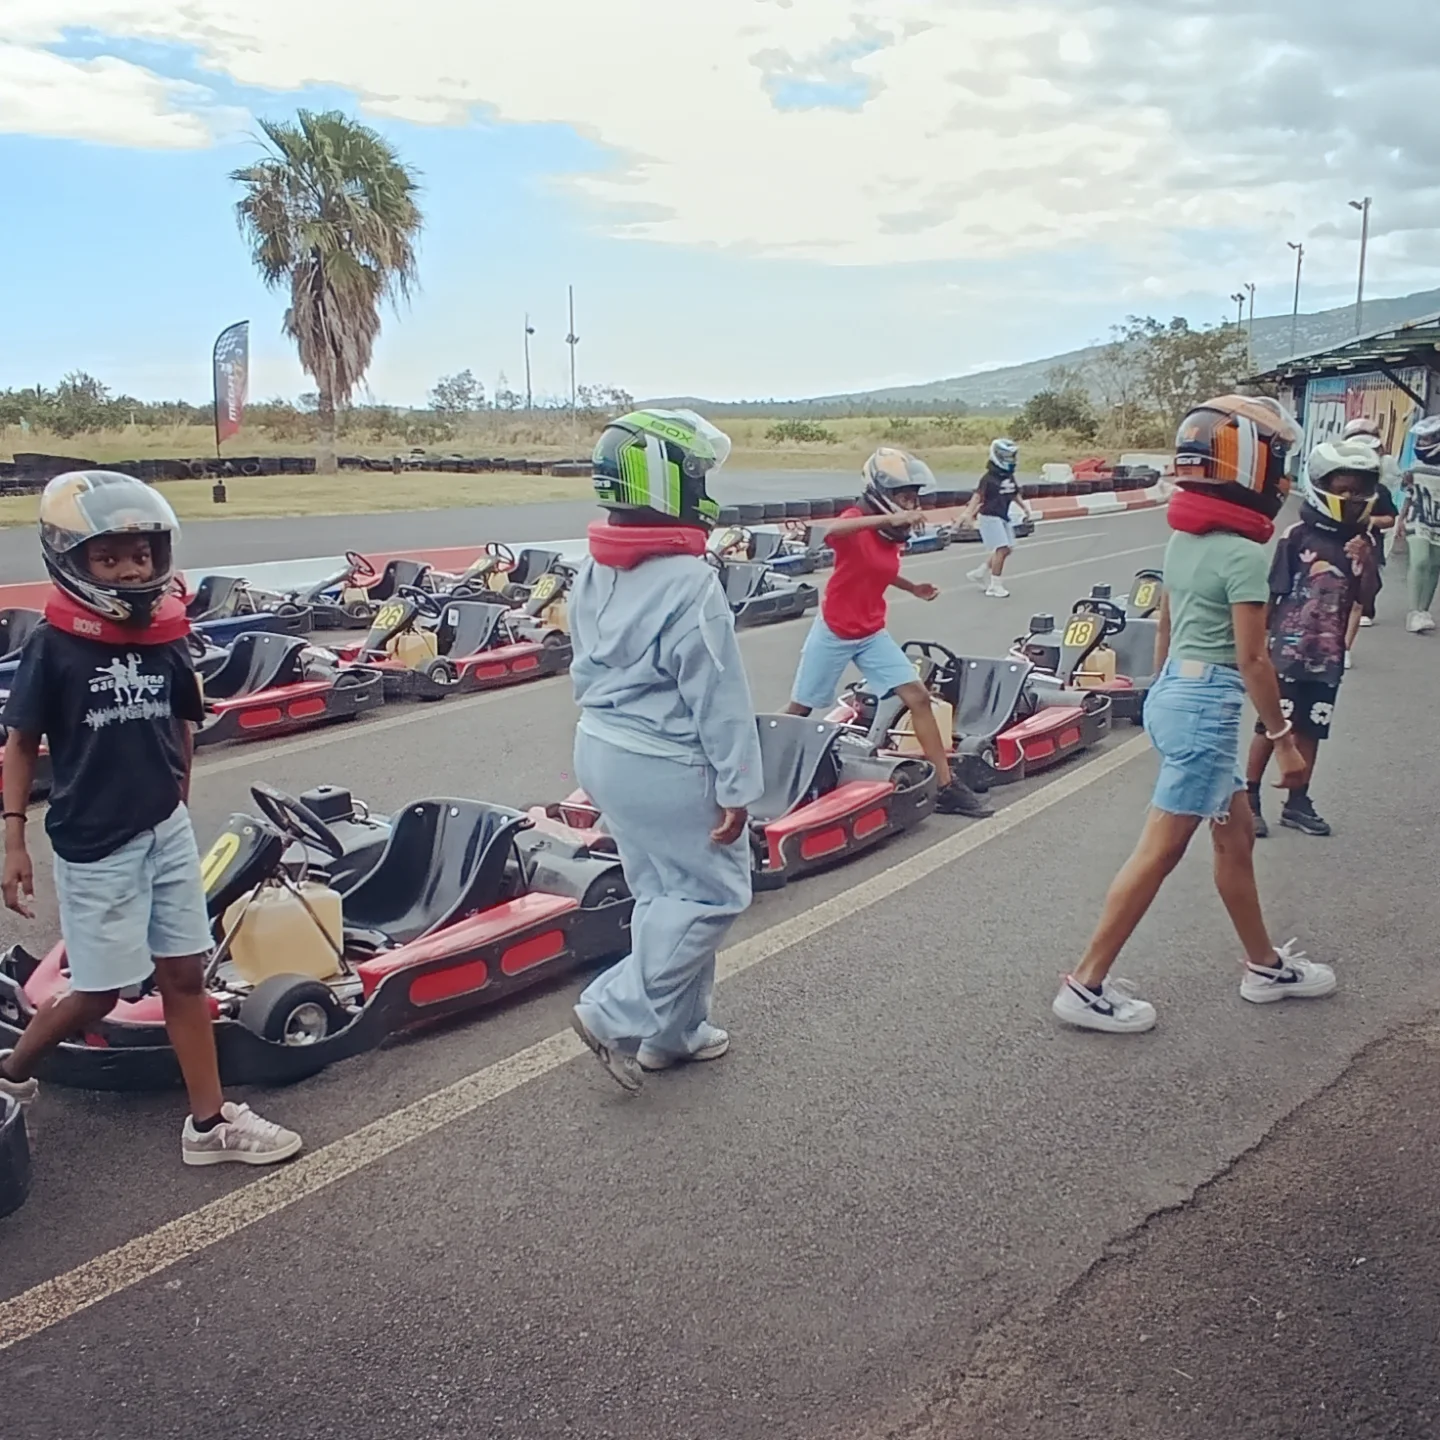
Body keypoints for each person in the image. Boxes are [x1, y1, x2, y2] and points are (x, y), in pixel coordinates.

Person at [0, 471, 301, 1164]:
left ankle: (209, 1124)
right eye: (109, 559)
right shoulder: (54, 645)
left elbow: (182, 725)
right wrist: (14, 838)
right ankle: (12, 1073)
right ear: (71, 560)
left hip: (163, 831)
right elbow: (20, 743)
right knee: (98, 993)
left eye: (140, 555)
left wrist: (176, 803)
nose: (131, 571)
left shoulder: (167, 637)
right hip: (94, 842)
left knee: (185, 977)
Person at [1053, 396, 1336, 1034]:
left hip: (1177, 692)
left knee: (1235, 836)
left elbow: (1167, 624)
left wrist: (1161, 690)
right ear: (1251, 468)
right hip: (1207, 706)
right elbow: (1254, 659)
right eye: (1277, 463)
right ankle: (1086, 984)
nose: (1282, 477)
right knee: (1161, 849)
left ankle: (1264, 966)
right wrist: (1283, 740)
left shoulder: (1183, 539)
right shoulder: (1242, 556)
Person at [566, 410, 764, 1092]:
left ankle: (674, 1033)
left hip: (601, 746)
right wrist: (739, 786)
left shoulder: (592, 567)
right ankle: (613, 1009)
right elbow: (718, 693)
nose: (705, 486)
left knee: (662, 892)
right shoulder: (690, 581)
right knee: (714, 896)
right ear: (668, 483)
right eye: (698, 475)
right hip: (665, 761)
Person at [785, 447, 992, 818]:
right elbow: (831, 532)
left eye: (914, 496)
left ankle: (946, 786)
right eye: (904, 496)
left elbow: (877, 569)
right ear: (882, 494)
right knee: (800, 710)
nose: (911, 503)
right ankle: (766, 770)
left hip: (870, 632)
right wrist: (887, 517)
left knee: (919, 698)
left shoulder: (891, 533)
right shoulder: (858, 520)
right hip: (835, 630)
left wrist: (912, 587)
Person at [1245, 441, 1381, 838]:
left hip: (1327, 655)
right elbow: (1273, 593)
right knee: (1272, 725)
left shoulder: (1362, 542)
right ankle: (1249, 796)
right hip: (1287, 652)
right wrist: (1258, 647)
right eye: (1343, 489)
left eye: (1358, 490)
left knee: (1313, 726)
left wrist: (1366, 562)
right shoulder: (1297, 536)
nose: (1351, 498)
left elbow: (1367, 598)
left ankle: (1298, 801)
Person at [1339, 417, 1398, 657]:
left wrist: (1370, 521)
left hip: (1368, 545)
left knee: (1360, 595)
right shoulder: (1332, 484)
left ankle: (1345, 648)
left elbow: (1390, 518)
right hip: (1336, 545)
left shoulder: (1378, 490)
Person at [963, 439, 1035, 598]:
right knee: (1001, 549)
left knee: (1008, 549)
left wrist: (1024, 507)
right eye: (1007, 456)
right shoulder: (988, 478)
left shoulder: (1009, 476)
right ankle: (995, 586)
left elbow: (1014, 493)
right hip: (989, 516)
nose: (1010, 460)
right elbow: (977, 496)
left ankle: (980, 572)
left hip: (1003, 516)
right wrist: (968, 514)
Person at [1401, 415, 1440, 634]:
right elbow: (1409, 494)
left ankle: (1424, 611)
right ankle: (1413, 612)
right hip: (1417, 519)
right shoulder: (1414, 469)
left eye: (1427, 439)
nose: (1422, 443)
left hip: (1438, 523)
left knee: (1435, 566)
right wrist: (1400, 520)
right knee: (1420, 560)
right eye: (1422, 439)